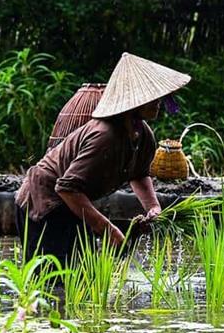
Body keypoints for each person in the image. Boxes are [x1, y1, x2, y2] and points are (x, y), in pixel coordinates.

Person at [15, 52, 190, 265]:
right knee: (51, 279)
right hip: (44, 201)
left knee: (84, 275)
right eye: (153, 97)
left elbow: (140, 174)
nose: (160, 103)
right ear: (135, 100)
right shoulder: (105, 136)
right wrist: (109, 229)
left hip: (74, 203)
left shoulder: (143, 134)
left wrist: (153, 207)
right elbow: (66, 188)